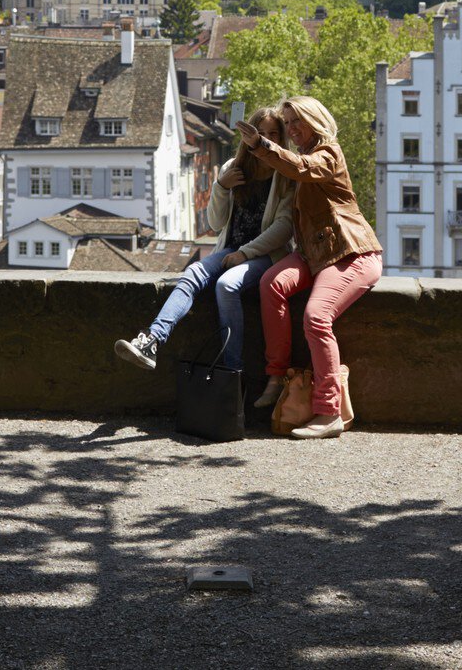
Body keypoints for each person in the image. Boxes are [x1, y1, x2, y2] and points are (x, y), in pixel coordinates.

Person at [114, 106, 295, 374]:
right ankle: (151, 341)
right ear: (249, 136)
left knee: (226, 285)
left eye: (274, 134)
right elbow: (215, 223)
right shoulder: (233, 169)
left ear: (281, 139)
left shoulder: (287, 175)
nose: (267, 139)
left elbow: (284, 228)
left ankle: (233, 370)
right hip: (230, 249)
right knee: (192, 274)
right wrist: (221, 187)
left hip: (267, 256)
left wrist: (245, 254)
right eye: (261, 133)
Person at [247, 95, 383, 441]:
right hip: (314, 254)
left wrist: (262, 145)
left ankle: (329, 411)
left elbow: (300, 169)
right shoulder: (301, 156)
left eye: (297, 121)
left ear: (314, 120)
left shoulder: (328, 153)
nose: (291, 129)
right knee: (271, 283)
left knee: (316, 317)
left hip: (351, 254)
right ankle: (276, 375)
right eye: (287, 122)